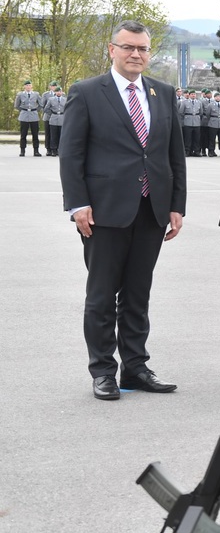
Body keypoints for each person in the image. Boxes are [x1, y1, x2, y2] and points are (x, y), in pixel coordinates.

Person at [58, 20, 186, 400]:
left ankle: (135, 368)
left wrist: (176, 205)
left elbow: (172, 154)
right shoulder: (86, 93)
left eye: (143, 49)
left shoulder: (162, 93)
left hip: (151, 210)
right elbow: (71, 154)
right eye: (128, 47)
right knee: (101, 296)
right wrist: (78, 204)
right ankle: (103, 371)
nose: (136, 55)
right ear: (111, 50)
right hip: (104, 212)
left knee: (137, 294)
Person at [15, 80, 42, 157]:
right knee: (23, 134)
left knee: (35, 134)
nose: (28, 87)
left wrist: (36, 110)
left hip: (34, 115)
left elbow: (41, 104)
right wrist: (23, 110)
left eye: (29, 85)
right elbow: (17, 105)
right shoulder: (20, 94)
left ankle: (36, 151)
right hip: (24, 116)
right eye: (26, 85)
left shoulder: (36, 94)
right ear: (24, 86)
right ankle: (22, 150)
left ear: (31, 86)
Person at [43, 86, 66, 157]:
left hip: (62, 118)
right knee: (53, 135)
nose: (59, 93)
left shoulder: (65, 99)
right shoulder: (51, 99)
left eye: (60, 91)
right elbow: (46, 108)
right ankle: (53, 149)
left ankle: (59, 149)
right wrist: (52, 113)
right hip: (53, 118)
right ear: (55, 92)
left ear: (62, 92)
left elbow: (68, 108)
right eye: (57, 91)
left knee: (61, 135)